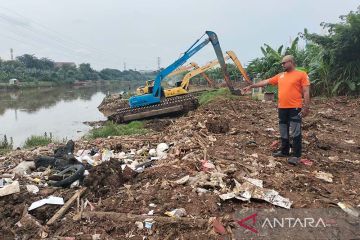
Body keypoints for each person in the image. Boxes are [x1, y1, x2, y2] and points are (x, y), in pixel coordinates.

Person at [242, 55, 310, 165]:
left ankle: (296, 155)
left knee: (295, 131)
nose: (282, 65)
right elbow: (266, 82)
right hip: (282, 107)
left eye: (284, 63)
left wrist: (306, 107)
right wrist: (251, 86)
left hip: (295, 107)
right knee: (283, 129)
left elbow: (306, 91)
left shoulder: (301, 74)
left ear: (291, 62)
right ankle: (284, 151)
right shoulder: (280, 75)